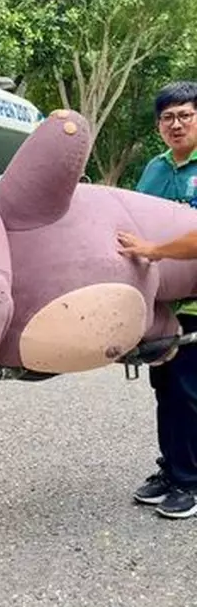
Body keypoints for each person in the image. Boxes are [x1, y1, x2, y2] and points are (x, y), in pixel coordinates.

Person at [113, 81, 197, 519]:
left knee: (189, 390)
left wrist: (153, 250)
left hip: (195, 303)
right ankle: (172, 468)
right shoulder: (155, 169)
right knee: (165, 388)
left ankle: (190, 482)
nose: (176, 124)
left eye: (185, 115)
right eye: (168, 117)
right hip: (161, 302)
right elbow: (132, 218)